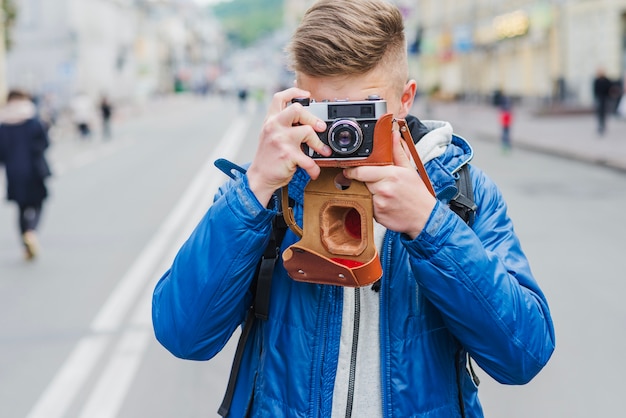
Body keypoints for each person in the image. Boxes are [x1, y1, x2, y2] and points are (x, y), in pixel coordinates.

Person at [151, 1, 555, 416]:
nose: (344, 133)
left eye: (364, 112)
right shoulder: (267, 195)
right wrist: (255, 186)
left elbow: (523, 355)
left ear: (405, 100)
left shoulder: (459, 194)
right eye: (325, 112)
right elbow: (183, 335)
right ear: (296, 101)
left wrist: (430, 226)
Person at [0, 89, 51, 260]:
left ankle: (25, 242)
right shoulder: (33, 121)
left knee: (21, 208)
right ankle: (31, 232)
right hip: (34, 170)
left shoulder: (3, 124)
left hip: (14, 173)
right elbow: (44, 143)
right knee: (38, 204)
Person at [593, 67, 613, 135]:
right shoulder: (597, 80)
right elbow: (595, 90)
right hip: (599, 98)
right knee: (599, 113)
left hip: (605, 98)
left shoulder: (606, 80)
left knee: (604, 113)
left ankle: (603, 126)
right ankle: (600, 125)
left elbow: (610, 89)